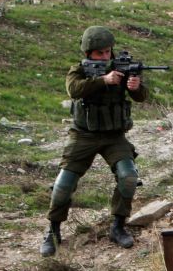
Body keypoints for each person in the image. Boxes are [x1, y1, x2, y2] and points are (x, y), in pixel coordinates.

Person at [41, 26, 150, 256]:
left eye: (107, 52)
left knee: (129, 176)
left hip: (114, 136)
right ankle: (53, 230)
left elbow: (141, 97)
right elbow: (74, 90)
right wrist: (104, 80)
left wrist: (136, 87)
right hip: (83, 135)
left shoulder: (121, 69)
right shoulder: (79, 70)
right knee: (63, 184)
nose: (105, 57)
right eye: (99, 53)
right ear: (88, 53)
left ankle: (118, 226)